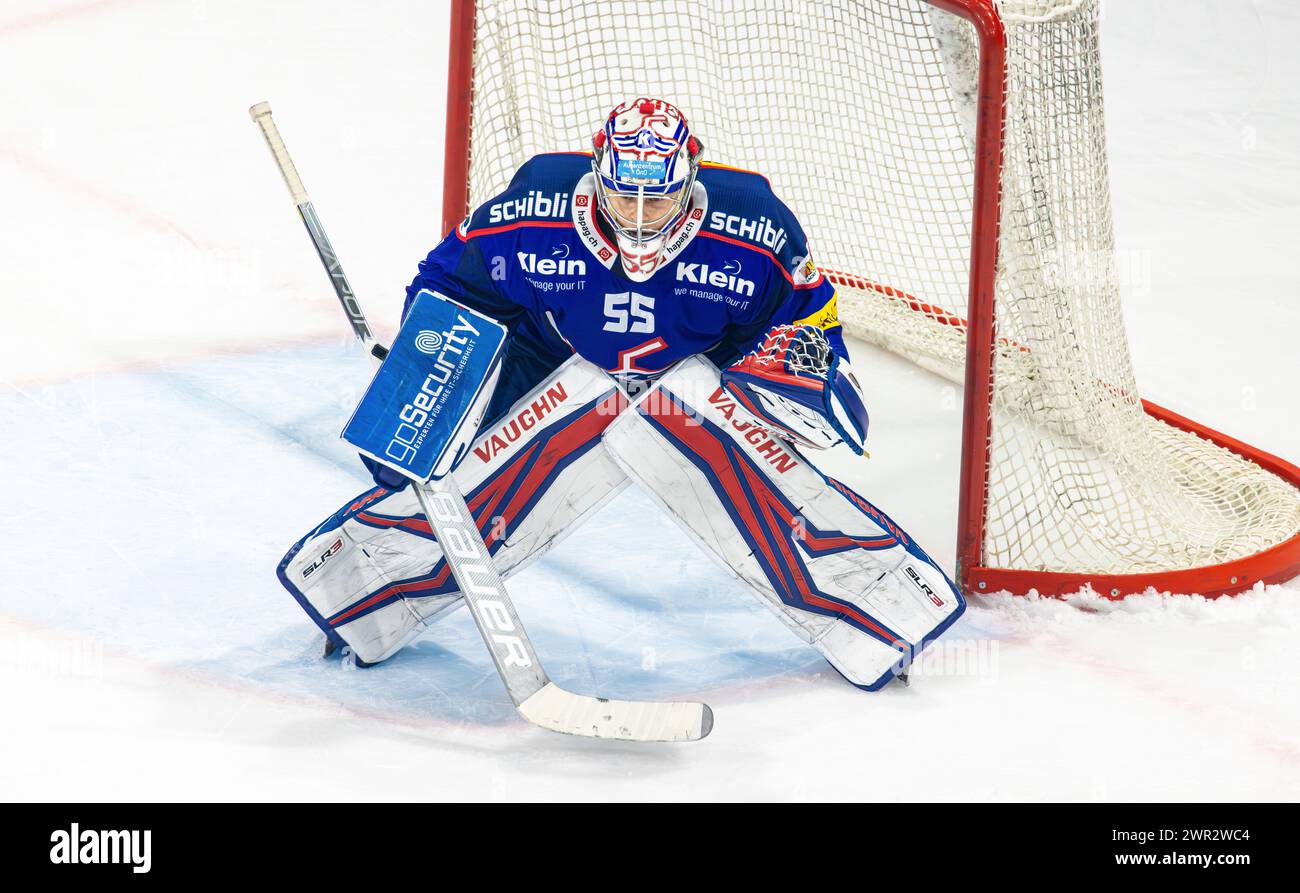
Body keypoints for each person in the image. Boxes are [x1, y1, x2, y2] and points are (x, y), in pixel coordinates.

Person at [278, 98, 964, 692]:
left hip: (691, 378)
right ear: (597, 173)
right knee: (427, 468)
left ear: (689, 180)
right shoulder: (534, 206)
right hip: (551, 358)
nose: (637, 215)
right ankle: (362, 591)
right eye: (622, 195)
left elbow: (807, 317)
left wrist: (781, 384)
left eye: (657, 197)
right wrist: (428, 362)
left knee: (709, 431)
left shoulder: (754, 226)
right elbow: (451, 282)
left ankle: (879, 608)